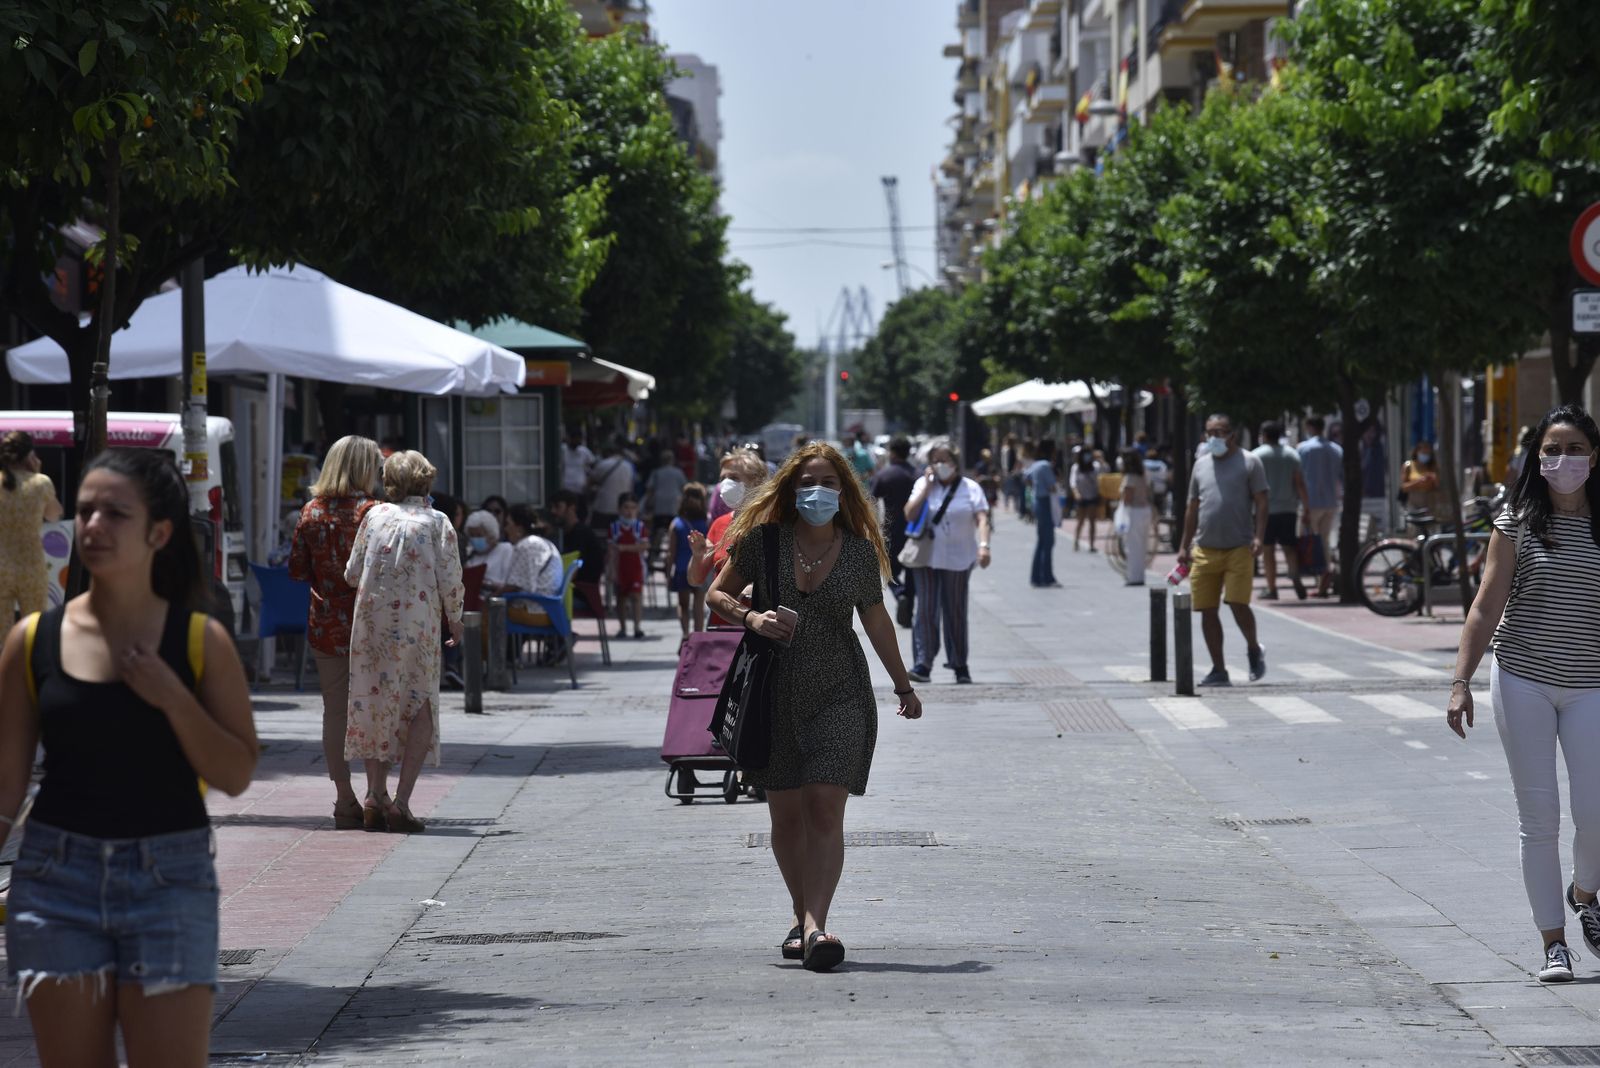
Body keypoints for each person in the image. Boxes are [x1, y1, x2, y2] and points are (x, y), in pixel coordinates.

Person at [0, 448, 255, 1065]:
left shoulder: (200, 641)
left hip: (170, 880)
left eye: (115, 513)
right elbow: (4, 791)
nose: (92, 526)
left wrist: (173, 699)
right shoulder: (32, 639)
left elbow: (235, 772)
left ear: (158, 532)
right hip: (54, 882)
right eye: (85, 511)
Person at [705, 441, 922, 972]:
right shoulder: (764, 542)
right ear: (791, 490)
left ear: (844, 491)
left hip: (842, 691)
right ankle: (802, 917)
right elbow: (716, 594)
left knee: (825, 805)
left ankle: (817, 927)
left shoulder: (857, 552)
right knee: (786, 816)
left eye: (828, 483)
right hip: (774, 694)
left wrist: (903, 685)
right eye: (807, 483)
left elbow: (876, 622)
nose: (817, 492)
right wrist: (751, 618)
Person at [1447, 403, 1600, 984]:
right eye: (1553, 450)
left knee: (1596, 813)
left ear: (1594, 456)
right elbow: (1487, 604)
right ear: (1537, 458)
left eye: (1576, 449)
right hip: (1523, 679)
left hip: (1593, 684)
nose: (1563, 461)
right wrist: (1460, 682)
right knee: (1539, 820)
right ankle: (1553, 944)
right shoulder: (1516, 519)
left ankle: (1585, 894)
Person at [344, 451, 463, 834]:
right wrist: (456, 622)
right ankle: (402, 803)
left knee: (374, 700)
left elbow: (351, 573)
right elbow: (451, 580)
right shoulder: (437, 523)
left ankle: (373, 795)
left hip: (372, 625)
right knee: (419, 705)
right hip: (417, 626)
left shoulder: (374, 516)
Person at [287, 435, 382, 829]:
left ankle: (344, 797)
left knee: (335, 712)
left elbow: (296, 569)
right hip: (370, 624)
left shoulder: (311, 512)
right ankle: (377, 794)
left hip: (326, 624)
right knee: (375, 709)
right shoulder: (373, 513)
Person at [1176, 413, 1269, 687]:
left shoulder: (1250, 462)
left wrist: (1259, 537)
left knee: (1238, 603)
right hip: (1204, 548)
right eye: (1209, 433)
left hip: (1239, 546)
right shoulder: (1200, 465)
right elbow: (1192, 507)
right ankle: (1219, 669)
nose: (1213, 438)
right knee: (1207, 609)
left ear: (1232, 435)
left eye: (1219, 432)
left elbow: (1262, 502)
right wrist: (1184, 545)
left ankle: (1253, 648)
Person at [902, 438, 991, 684]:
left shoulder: (970, 488)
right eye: (936, 460)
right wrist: (927, 489)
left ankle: (959, 663)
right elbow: (908, 513)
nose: (941, 464)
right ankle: (923, 663)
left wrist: (984, 546)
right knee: (926, 610)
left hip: (959, 558)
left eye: (945, 460)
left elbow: (982, 518)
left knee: (955, 610)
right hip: (927, 557)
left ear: (955, 463)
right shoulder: (923, 483)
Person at [687, 448, 769, 623]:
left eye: (733, 478)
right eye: (722, 478)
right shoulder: (719, 524)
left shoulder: (772, 523)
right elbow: (695, 580)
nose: (725, 484)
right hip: (720, 627)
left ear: (756, 482)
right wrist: (697, 556)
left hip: (759, 626)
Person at [0, 430, 63, 623]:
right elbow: (54, 516)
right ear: (29, 455)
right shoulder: (40, 483)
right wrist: (36, 474)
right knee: (35, 624)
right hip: (31, 565)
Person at [1252, 420, 1310, 601]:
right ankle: (1295, 576)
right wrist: (1306, 507)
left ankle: (1272, 587)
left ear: (1265, 435)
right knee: (1289, 548)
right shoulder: (1291, 455)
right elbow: (1299, 483)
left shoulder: (1256, 456)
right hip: (1288, 509)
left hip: (1265, 511)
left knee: (1267, 550)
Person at [1298, 416, 1344, 598]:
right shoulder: (1336, 449)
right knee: (1324, 542)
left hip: (1311, 502)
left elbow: (1299, 477)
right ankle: (1324, 580)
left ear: (1309, 427)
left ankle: (1320, 580)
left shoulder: (1303, 448)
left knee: (1310, 542)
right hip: (1331, 502)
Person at [870, 437, 917, 603]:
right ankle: (908, 607)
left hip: (892, 530)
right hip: (916, 531)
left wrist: (874, 527)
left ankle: (899, 592)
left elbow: (871, 501)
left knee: (888, 570)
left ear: (893, 453)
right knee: (912, 570)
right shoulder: (917, 475)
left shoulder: (884, 475)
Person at [669, 483, 710, 642]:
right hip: (699, 568)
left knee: (684, 605)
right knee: (696, 606)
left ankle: (686, 635)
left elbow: (671, 552)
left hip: (681, 568)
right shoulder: (707, 522)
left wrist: (668, 573)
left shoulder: (676, 523)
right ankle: (697, 637)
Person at [610, 493, 647, 640]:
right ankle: (622, 627)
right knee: (621, 597)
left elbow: (644, 545)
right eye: (626, 507)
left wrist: (624, 548)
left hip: (636, 567)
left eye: (633, 508)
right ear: (619, 509)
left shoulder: (639, 527)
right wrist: (611, 570)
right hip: (620, 568)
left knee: (636, 597)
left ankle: (637, 627)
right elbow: (611, 550)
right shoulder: (614, 528)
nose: (629, 511)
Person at [1025, 440, 1058, 587]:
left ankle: (1037, 576)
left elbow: (1026, 477)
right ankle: (1046, 576)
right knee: (1048, 541)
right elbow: (1052, 487)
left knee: (1041, 541)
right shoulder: (1045, 465)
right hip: (1045, 502)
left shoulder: (1035, 465)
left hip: (1038, 501)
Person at [644, 450, 688, 562]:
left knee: (655, 531)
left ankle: (652, 554)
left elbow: (649, 489)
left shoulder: (656, 472)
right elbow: (685, 488)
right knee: (674, 532)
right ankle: (673, 555)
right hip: (674, 506)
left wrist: (647, 504)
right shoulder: (678, 472)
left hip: (659, 506)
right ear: (672, 460)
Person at [1118, 448, 1153, 586]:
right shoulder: (1143, 474)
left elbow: (1128, 498)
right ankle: (1140, 575)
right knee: (1142, 545)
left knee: (1132, 546)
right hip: (1145, 510)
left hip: (1134, 512)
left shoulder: (1130, 478)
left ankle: (1133, 577)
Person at [587, 442, 635, 532]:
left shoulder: (603, 464)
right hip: (622, 508)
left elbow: (590, 482)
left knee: (599, 532)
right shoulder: (628, 466)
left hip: (603, 506)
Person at [464, 509, 515, 594]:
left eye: (479, 535)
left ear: (491, 534)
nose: (475, 539)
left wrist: (485, 583)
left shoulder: (505, 549)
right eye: (472, 535)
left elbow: (510, 583)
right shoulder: (471, 555)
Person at [1401, 440, 1451, 524]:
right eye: (1423, 453)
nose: (1425, 455)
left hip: (1430, 503)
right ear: (1417, 452)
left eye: (1428, 453)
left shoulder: (1433, 466)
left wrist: (1433, 478)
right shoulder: (1409, 466)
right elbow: (1404, 487)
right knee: (1414, 527)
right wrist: (1418, 482)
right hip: (1414, 502)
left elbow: (1439, 486)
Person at [1360, 422, 1389, 535]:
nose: (1369, 434)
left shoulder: (1379, 449)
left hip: (1378, 495)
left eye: (1372, 431)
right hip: (1363, 497)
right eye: (1367, 431)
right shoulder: (1361, 448)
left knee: (1378, 529)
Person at [1070, 448, 1102, 552]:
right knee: (1081, 521)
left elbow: (1100, 480)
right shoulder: (1076, 467)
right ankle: (1076, 540)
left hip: (1092, 496)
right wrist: (1076, 494)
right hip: (1081, 497)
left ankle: (1092, 544)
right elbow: (1073, 482)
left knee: (1092, 521)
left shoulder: (1095, 467)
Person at [561, 431, 595, 497]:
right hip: (566, 486)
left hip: (580, 488)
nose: (576, 441)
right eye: (574, 439)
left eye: (578, 439)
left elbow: (593, 464)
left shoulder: (584, 451)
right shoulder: (562, 449)